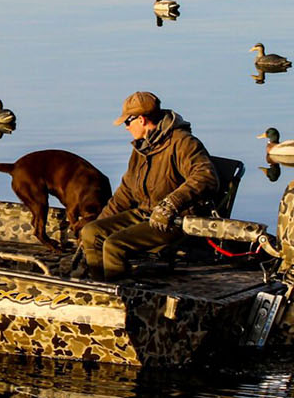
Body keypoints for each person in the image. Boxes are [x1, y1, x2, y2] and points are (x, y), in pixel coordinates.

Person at [79, 91, 219, 280]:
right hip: (145, 213)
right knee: (91, 232)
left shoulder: (183, 143)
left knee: (114, 245)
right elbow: (125, 193)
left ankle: (118, 295)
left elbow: (206, 176)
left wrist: (171, 204)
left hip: (174, 220)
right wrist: (100, 222)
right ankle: (98, 286)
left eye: (128, 122)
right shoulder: (142, 147)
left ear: (142, 120)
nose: (126, 128)